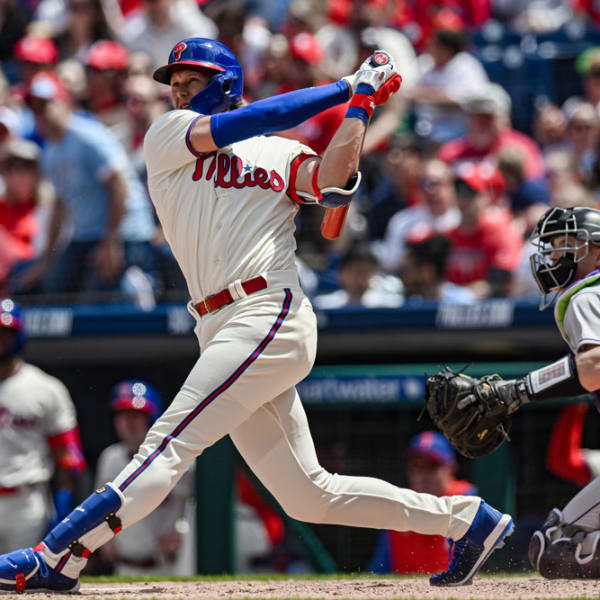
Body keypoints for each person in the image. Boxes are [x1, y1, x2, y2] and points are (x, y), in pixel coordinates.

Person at [0, 38, 512, 593]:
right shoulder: (168, 134)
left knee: (169, 445)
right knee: (308, 493)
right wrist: (347, 86)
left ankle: (56, 555)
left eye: (189, 82)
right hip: (216, 323)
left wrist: (361, 105)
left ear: (222, 83)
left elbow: (334, 182)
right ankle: (468, 520)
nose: (177, 92)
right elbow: (252, 119)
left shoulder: (279, 152)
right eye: (173, 83)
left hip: (268, 311)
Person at [434, 206, 600, 578]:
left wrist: (519, 390)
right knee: (555, 543)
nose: (556, 257)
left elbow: (594, 367)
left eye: (569, 246)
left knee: (558, 550)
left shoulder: (586, 295)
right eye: (554, 246)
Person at [0, 298, 86, 553]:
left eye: (7, 333)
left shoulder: (45, 388)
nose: (1, 340)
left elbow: (68, 458)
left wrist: (63, 511)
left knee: (22, 584)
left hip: (26, 501)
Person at [95, 380, 194, 575]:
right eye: (122, 415)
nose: (129, 422)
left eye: (136, 415)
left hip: (168, 566)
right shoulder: (110, 458)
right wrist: (102, 538)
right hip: (124, 567)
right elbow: (100, 507)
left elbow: (196, 505)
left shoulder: (173, 457)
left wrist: (184, 531)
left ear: (152, 418)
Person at [368, 431, 477, 574]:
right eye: (416, 465)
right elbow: (379, 569)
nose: (424, 474)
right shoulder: (397, 509)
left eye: (432, 465)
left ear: (451, 468)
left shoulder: (468, 501)